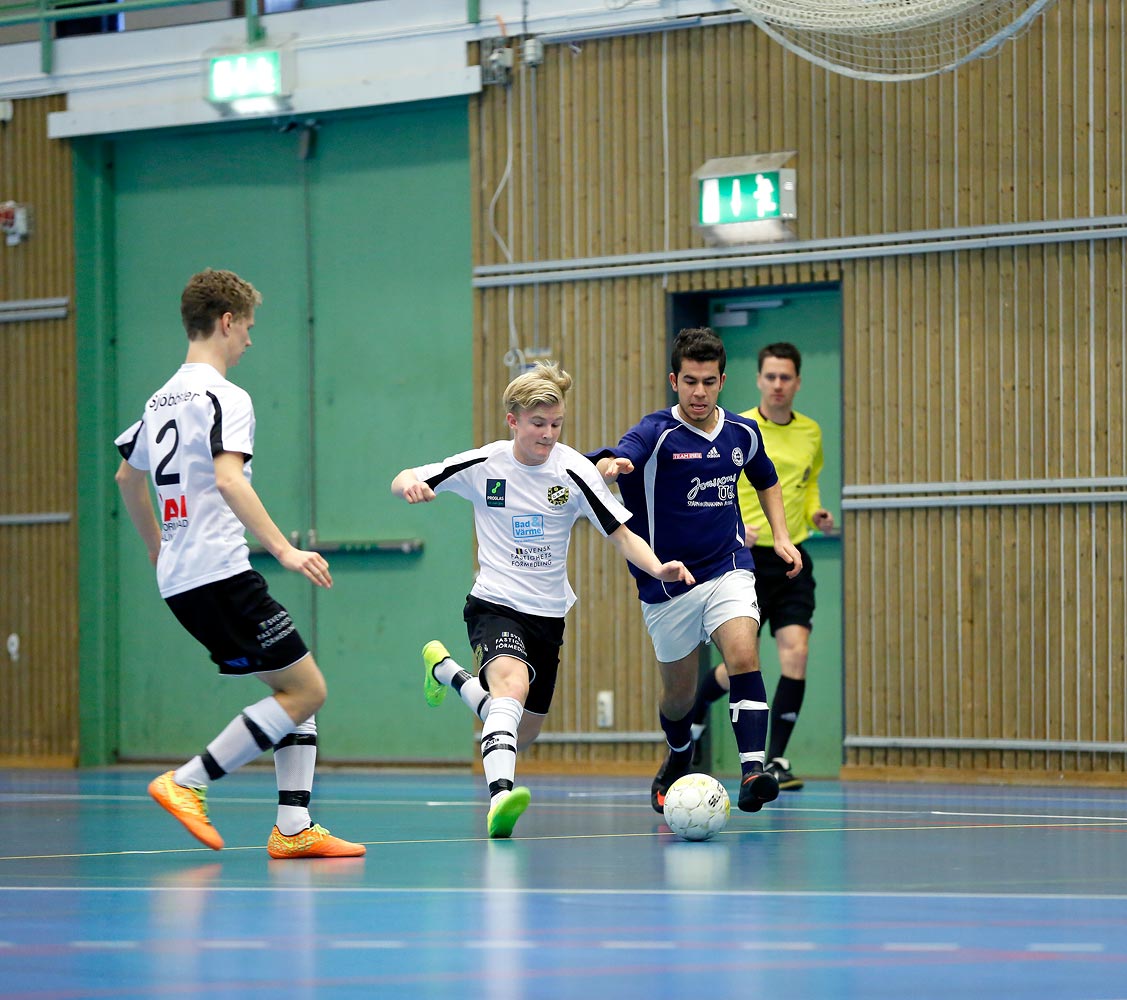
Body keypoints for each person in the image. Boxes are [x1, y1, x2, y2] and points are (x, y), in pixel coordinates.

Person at [114, 268, 364, 859]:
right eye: (247, 327)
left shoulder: (160, 399)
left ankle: (295, 827)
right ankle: (187, 781)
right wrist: (284, 548)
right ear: (226, 322)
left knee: (290, 684)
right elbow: (229, 479)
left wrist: (156, 546)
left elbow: (128, 475)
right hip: (221, 572)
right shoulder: (225, 396)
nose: (249, 340)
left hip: (182, 578)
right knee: (307, 691)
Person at [391, 361, 694, 838]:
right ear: (513, 420)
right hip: (494, 602)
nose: (548, 434)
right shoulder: (484, 464)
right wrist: (409, 484)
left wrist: (658, 566)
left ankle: (445, 671)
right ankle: (500, 800)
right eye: (538, 424)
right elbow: (407, 474)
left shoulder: (574, 471)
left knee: (520, 729)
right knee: (509, 689)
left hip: (548, 615)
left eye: (557, 424)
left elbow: (620, 533)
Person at [590, 327, 803, 815]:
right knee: (678, 696)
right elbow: (623, 452)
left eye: (709, 382)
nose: (699, 392)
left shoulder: (741, 433)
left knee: (744, 653)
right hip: (666, 583)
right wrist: (614, 464)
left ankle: (754, 771)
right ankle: (678, 755)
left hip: (728, 567)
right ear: (674, 380)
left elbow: (765, 477)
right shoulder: (656, 431)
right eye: (690, 382)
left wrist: (783, 536)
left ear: (723, 381)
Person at [686, 342, 834, 791]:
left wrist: (815, 515)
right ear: (758, 380)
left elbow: (806, 487)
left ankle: (777, 760)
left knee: (797, 653)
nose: (777, 385)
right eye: (770, 376)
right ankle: (691, 717)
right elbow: (720, 486)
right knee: (739, 666)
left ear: (797, 382)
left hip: (793, 557)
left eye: (785, 377)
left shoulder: (811, 432)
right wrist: (736, 526)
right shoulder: (741, 429)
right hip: (746, 560)